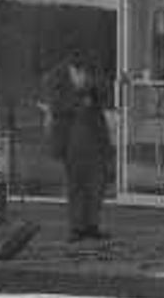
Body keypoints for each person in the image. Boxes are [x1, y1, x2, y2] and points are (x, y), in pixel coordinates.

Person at [48, 52, 117, 241]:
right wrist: (78, 100)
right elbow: (56, 106)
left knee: (96, 184)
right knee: (76, 184)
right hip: (72, 139)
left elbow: (104, 96)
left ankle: (92, 224)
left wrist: (92, 92)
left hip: (95, 137)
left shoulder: (93, 74)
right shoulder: (58, 76)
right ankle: (77, 227)